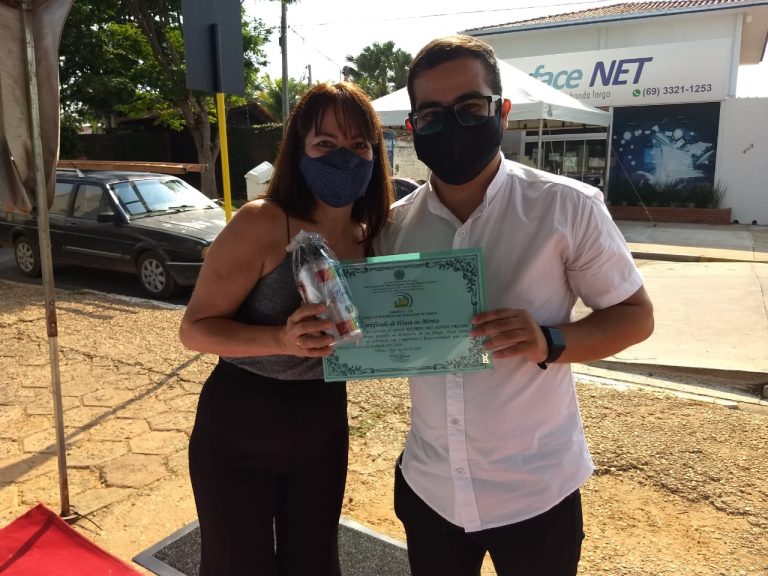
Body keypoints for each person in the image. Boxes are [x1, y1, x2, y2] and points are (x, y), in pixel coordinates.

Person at [374, 35, 654, 576]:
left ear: (501, 112)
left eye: (470, 107)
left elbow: (636, 316)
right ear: (413, 126)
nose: (451, 124)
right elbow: (380, 329)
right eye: (432, 115)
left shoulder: (567, 208)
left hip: (536, 491)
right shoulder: (393, 227)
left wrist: (550, 340)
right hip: (430, 488)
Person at [179, 81, 394, 576]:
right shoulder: (262, 223)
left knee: (315, 563)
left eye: (358, 144)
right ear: (298, 151)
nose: (344, 157)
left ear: (375, 153)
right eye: (325, 143)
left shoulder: (368, 236)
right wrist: (278, 339)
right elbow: (194, 330)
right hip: (240, 422)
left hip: (322, 421)